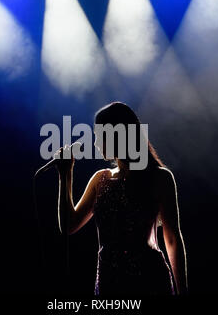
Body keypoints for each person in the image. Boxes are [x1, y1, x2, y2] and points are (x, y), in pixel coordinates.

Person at [54, 101, 187, 295]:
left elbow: (173, 238)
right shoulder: (100, 180)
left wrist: (183, 290)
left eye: (100, 136)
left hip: (150, 282)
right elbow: (68, 225)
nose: (96, 143)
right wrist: (65, 174)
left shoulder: (160, 178)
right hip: (110, 285)